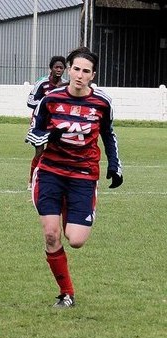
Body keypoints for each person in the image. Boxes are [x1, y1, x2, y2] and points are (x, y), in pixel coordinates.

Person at [25, 46, 123, 308]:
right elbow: (32, 135)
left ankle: (70, 205)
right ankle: (66, 293)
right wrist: (49, 136)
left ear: (93, 75)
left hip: (83, 173)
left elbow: (108, 134)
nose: (80, 75)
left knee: (76, 240)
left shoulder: (102, 102)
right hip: (51, 172)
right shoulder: (51, 99)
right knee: (50, 234)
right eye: (76, 69)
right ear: (69, 69)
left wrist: (115, 164)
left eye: (86, 71)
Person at [26, 56, 68, 190]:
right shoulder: (42, 83)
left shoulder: (66, 85)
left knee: (56, 153)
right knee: (39, 152)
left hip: (56, 123)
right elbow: (30, 101)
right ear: (51, 68)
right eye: (56, 67)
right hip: (40, 122)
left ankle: (53, 182)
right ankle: (31, 182)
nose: (59, 70)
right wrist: (45, 103)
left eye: (61, 68)